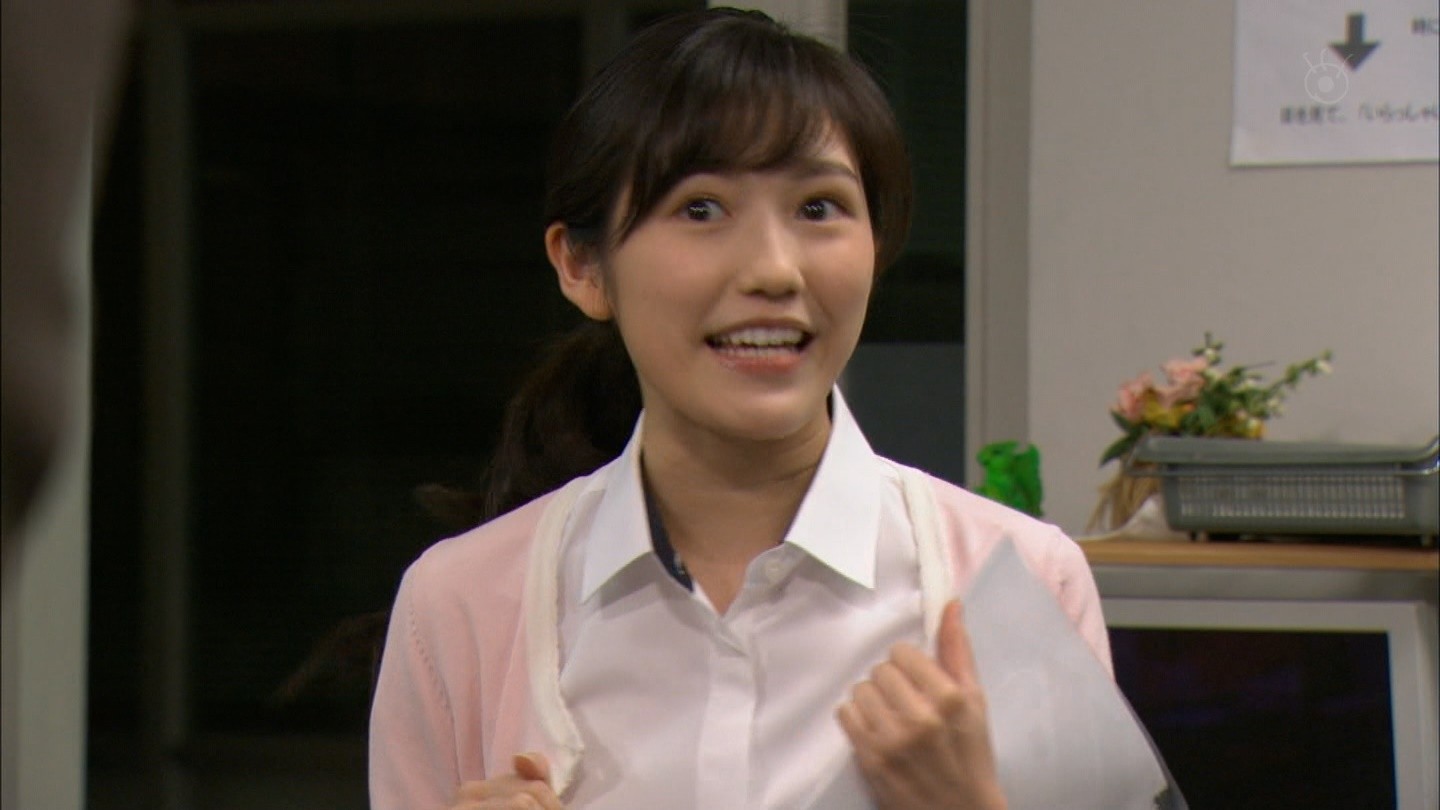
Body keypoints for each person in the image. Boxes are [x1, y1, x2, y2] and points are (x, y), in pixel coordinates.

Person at [368, 9, 1110, 810]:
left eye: (818, 208)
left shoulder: (1017, 581)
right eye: (701, 209)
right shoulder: (461, 604)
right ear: (582, 264)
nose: (774, 270)